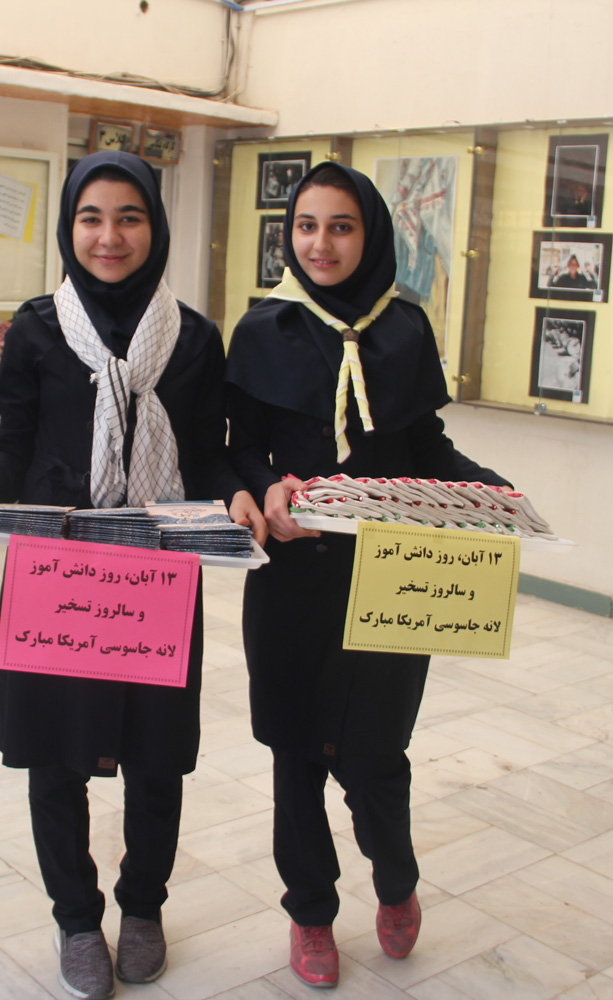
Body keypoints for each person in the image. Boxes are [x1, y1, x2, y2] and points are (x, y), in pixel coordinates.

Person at [0, 150, 264, 1000]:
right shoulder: (37, 329)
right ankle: (77, 918)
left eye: (130, 217)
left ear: (156, 226)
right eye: (91, 217)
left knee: (156, 757)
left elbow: (207, 452)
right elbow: (15, 441)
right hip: (58, 570)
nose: (109, 236)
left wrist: (235, 491)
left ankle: (144, 905)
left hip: (156, 569)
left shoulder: (193, 338)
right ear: (69, 227)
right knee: (55, 757)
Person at [225, 163, 510, 989]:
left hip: (393, 576)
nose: (321, 243)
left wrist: (495, 494)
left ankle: (395, 879)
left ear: (370, 234)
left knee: (376, 756)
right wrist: (263, 488)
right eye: (307, 226)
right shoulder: (262, 328)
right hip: (291, 578)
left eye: (341, 227)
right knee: (295, 759)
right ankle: (311, 913)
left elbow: (427, 449)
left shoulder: (405, 329)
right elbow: (238, 447)